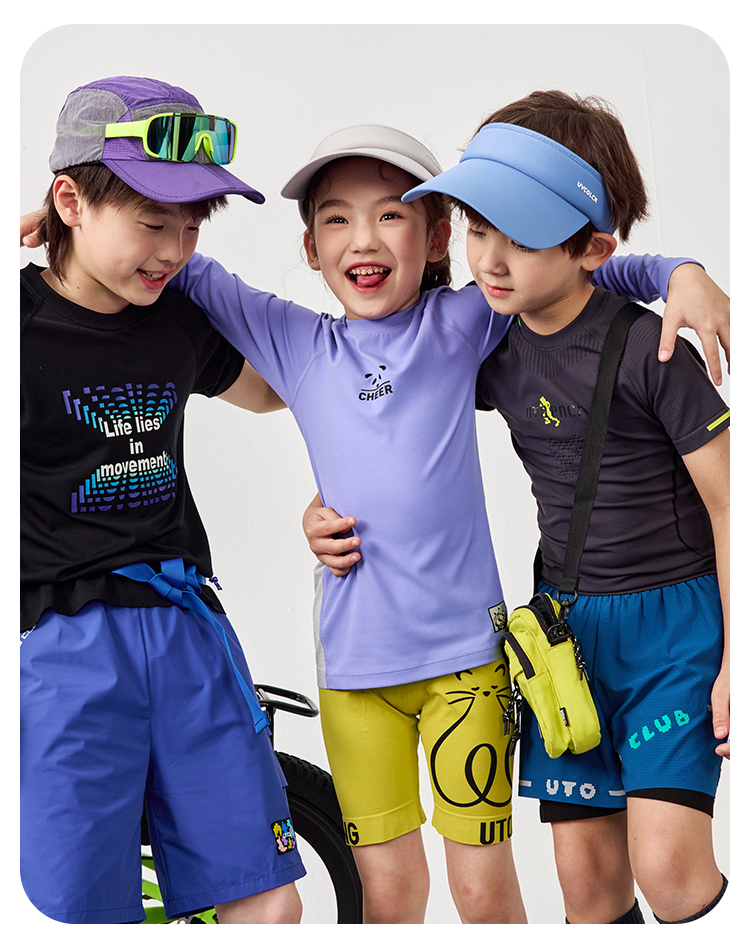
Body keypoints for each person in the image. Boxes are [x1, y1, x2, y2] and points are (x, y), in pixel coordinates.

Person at [152, 121, 728, 924]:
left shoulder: (466, 321)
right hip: (357, 673)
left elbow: (573, 269)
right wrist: (69, 217)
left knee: (486, 890)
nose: (363, 238)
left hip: (472, 664)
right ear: (310, 247)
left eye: (390, 213)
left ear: (434, 239)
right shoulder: (293, 342)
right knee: (395, 895)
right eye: (336, 218)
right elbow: (178, 263)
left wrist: (677, 271)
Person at [20, 75, 305, 924]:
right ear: (69, 201)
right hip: (59, 643)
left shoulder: (177, 319)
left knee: (269, 904)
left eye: (192, 226)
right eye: (153, 223)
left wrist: (209, 283)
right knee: (76, 913)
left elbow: (281, 388)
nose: (175, 249)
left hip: (186, 626)